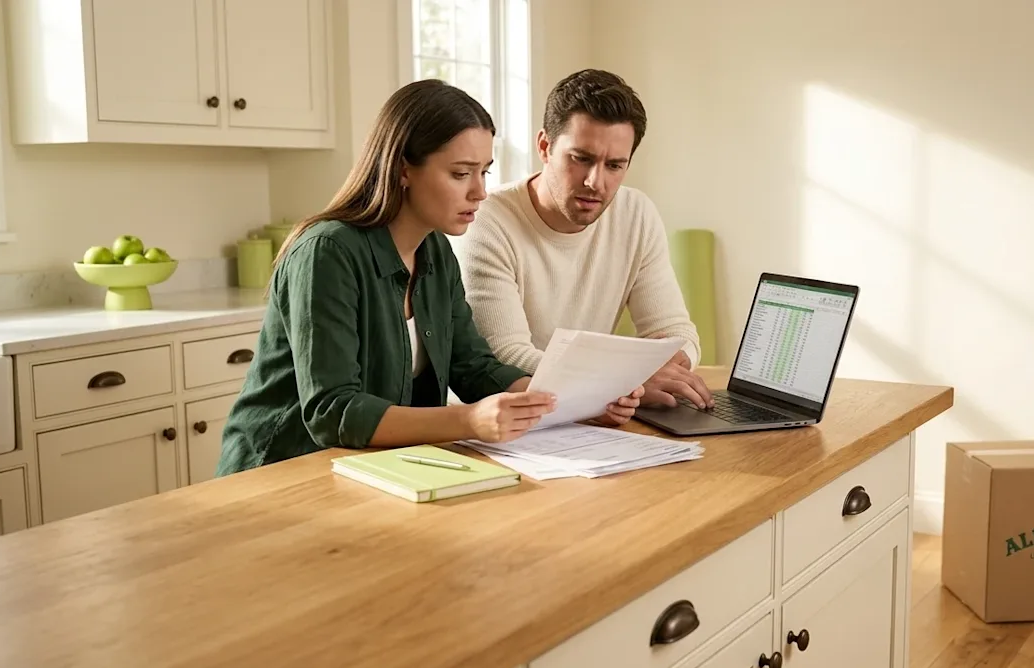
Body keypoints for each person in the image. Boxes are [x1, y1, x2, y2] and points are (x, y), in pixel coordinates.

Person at [215, 80, 643, 476]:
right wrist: (470, 420)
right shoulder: (327, 253)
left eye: (484, 172)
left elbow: (472, 365)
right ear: (403, 169)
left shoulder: (434, 250)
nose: (479, 191)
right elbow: (333, 411)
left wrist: (564, 402)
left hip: (376, 471)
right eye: (460, 173)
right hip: (282, 472)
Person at [458, 69, 714, 410]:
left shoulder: (636, 213)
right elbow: (505, 354)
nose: (596, 181)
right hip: (511, 417)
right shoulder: (489, 220)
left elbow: (675, 331)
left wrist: (666, 364)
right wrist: (625, 380)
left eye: (615, 166)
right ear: (545, 146)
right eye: (582, 159)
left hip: (599, 412)